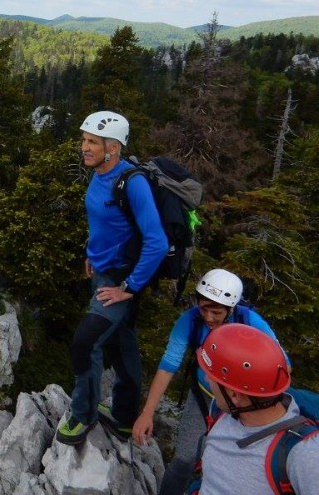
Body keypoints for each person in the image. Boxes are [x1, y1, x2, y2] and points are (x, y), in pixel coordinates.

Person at [55, 110, 169, 446]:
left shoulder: (131, 183)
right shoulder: (100, 174)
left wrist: (128, 288)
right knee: (122, 343)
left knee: (85, 342)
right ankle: (123, 416)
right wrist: (92, 252)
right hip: (105, 271)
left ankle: (83, 414)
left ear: (114, 147)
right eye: (84, 140)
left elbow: (157, 242)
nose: (84, 147)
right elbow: (106, 223)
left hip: (119, 281)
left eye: (92, 142)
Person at [133, 269, 286, 495]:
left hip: (244, 403)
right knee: (184, 460)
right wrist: (147, 413)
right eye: (204, 308)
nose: (208, 317)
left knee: (228, 464)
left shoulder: (249, 321)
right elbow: (168, 365)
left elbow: (281, 363)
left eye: (216, 311)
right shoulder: (190, 321)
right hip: (205, 396)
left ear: (231, 309)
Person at [194, 323, 319, 495]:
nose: (207, 379)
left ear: (235, 395)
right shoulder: (220, 411)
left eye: (213, 376)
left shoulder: (303, 454)